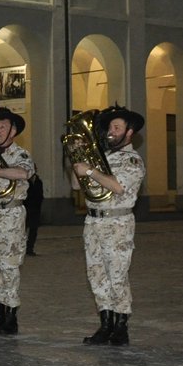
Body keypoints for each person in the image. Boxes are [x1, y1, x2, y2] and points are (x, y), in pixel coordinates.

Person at [75, 104, 146, 346]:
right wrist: (77, 160)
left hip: (118, 222)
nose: (111, 131)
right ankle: (105, 324)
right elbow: (78, 188)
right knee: (97, 275)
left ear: (129, 132)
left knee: (117, 276)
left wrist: (91, 170)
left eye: (117, 127)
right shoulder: (104, 157)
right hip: (93, 221)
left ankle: (120, 327)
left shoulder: (132, 160)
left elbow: (118, 187)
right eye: (110, 127)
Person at [0, 106, 36, 334]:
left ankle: (10, 316)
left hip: (11, 215)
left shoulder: (20, 154)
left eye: (2, 127)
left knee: (10, 267)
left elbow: (23, 173)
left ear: (13, 131)